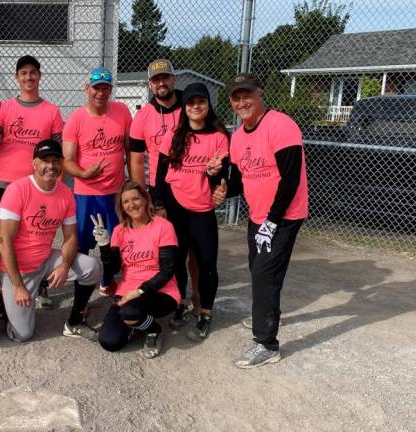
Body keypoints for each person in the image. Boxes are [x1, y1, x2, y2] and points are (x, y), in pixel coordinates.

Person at [221, 73, 309, 368]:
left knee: (264, 274)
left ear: (260, 94)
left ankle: (266, 344)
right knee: (260, 271)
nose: (242, 102)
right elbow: (238, 182)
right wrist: (219, 184)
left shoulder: (281, 125)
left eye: (247, 95)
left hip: (282, 216)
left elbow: (291, 178)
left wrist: (272, 221)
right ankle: (264, 313)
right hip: (257, 214)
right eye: (236, 97)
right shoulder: (237, 135)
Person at [0, 139, 102, 342]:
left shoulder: (65, 193)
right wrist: (18, 285)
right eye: (45, 160)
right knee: (22, 334)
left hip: (45, 259)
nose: (51, 166)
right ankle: (4, 299)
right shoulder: (17, 190)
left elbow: (71, 236)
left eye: (56, 160)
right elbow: (5, 241)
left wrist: (64, 265)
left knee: (92, 267)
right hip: (18, 269)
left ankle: (75, 321)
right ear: (34, 163)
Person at [153, 82, 229, 341]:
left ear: (208, 105)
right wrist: (159, 205)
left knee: (207, 263)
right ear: (184, 107)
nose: (196, 106)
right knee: (176, 261)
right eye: (190, 102)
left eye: (201, 102)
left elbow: (224, 176)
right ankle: (180, 304)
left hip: (202, 208)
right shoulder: (174, 135)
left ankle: (205, 312)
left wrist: (217, 174)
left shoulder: (219, 137)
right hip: (175, 206)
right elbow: (160, 175)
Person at [129, 59, 201, 321]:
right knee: (171, 249)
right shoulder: (143, 116)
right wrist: (144, 195)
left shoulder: (190, 107)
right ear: (150, 84)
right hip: (161, 192)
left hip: (193, 186)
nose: (161, 83)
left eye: (166, 78)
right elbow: (136, 158)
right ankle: (176, 297)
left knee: (196, 247)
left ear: (174, 80)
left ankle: (198, 296)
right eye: (156, 80)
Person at [95, 181, 179, 358]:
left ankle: (153, 330)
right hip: (127, 292)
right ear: (122, 207)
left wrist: (140, 291)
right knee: (109, 342)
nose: (131, 205)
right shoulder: (119, 231)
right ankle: (136, 322)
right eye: (126, 202)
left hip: (160, 291)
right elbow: (114, 269)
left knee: (130, 312)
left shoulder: (163, 226)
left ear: (145, 199)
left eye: (136, 199)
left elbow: (168, 270)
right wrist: (104, 246)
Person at [62, 66, 135, 264]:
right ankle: (83, 282)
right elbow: (67, 161)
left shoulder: (122, 111)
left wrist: (134, 182)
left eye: (105, 88)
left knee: (115, 242)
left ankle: (108, 282)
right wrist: (84, 174)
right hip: (86, 193)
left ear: (111, 90)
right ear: (87, 89)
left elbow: (130, 150)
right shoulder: (75, 119)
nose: (100, 93)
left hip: (115, 192)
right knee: (83, 242)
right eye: (96, 88)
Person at [0, 55, 64, 208]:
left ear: (39, 76)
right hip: (6, 183)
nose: (28, 77)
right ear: (16, 77)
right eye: (23, 73)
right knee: (5, 232)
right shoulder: (5, 108)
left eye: (33, 72)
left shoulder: (52, 110)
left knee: (35, 230)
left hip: (38, 182)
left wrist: (57, 183)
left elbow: (60, 153)